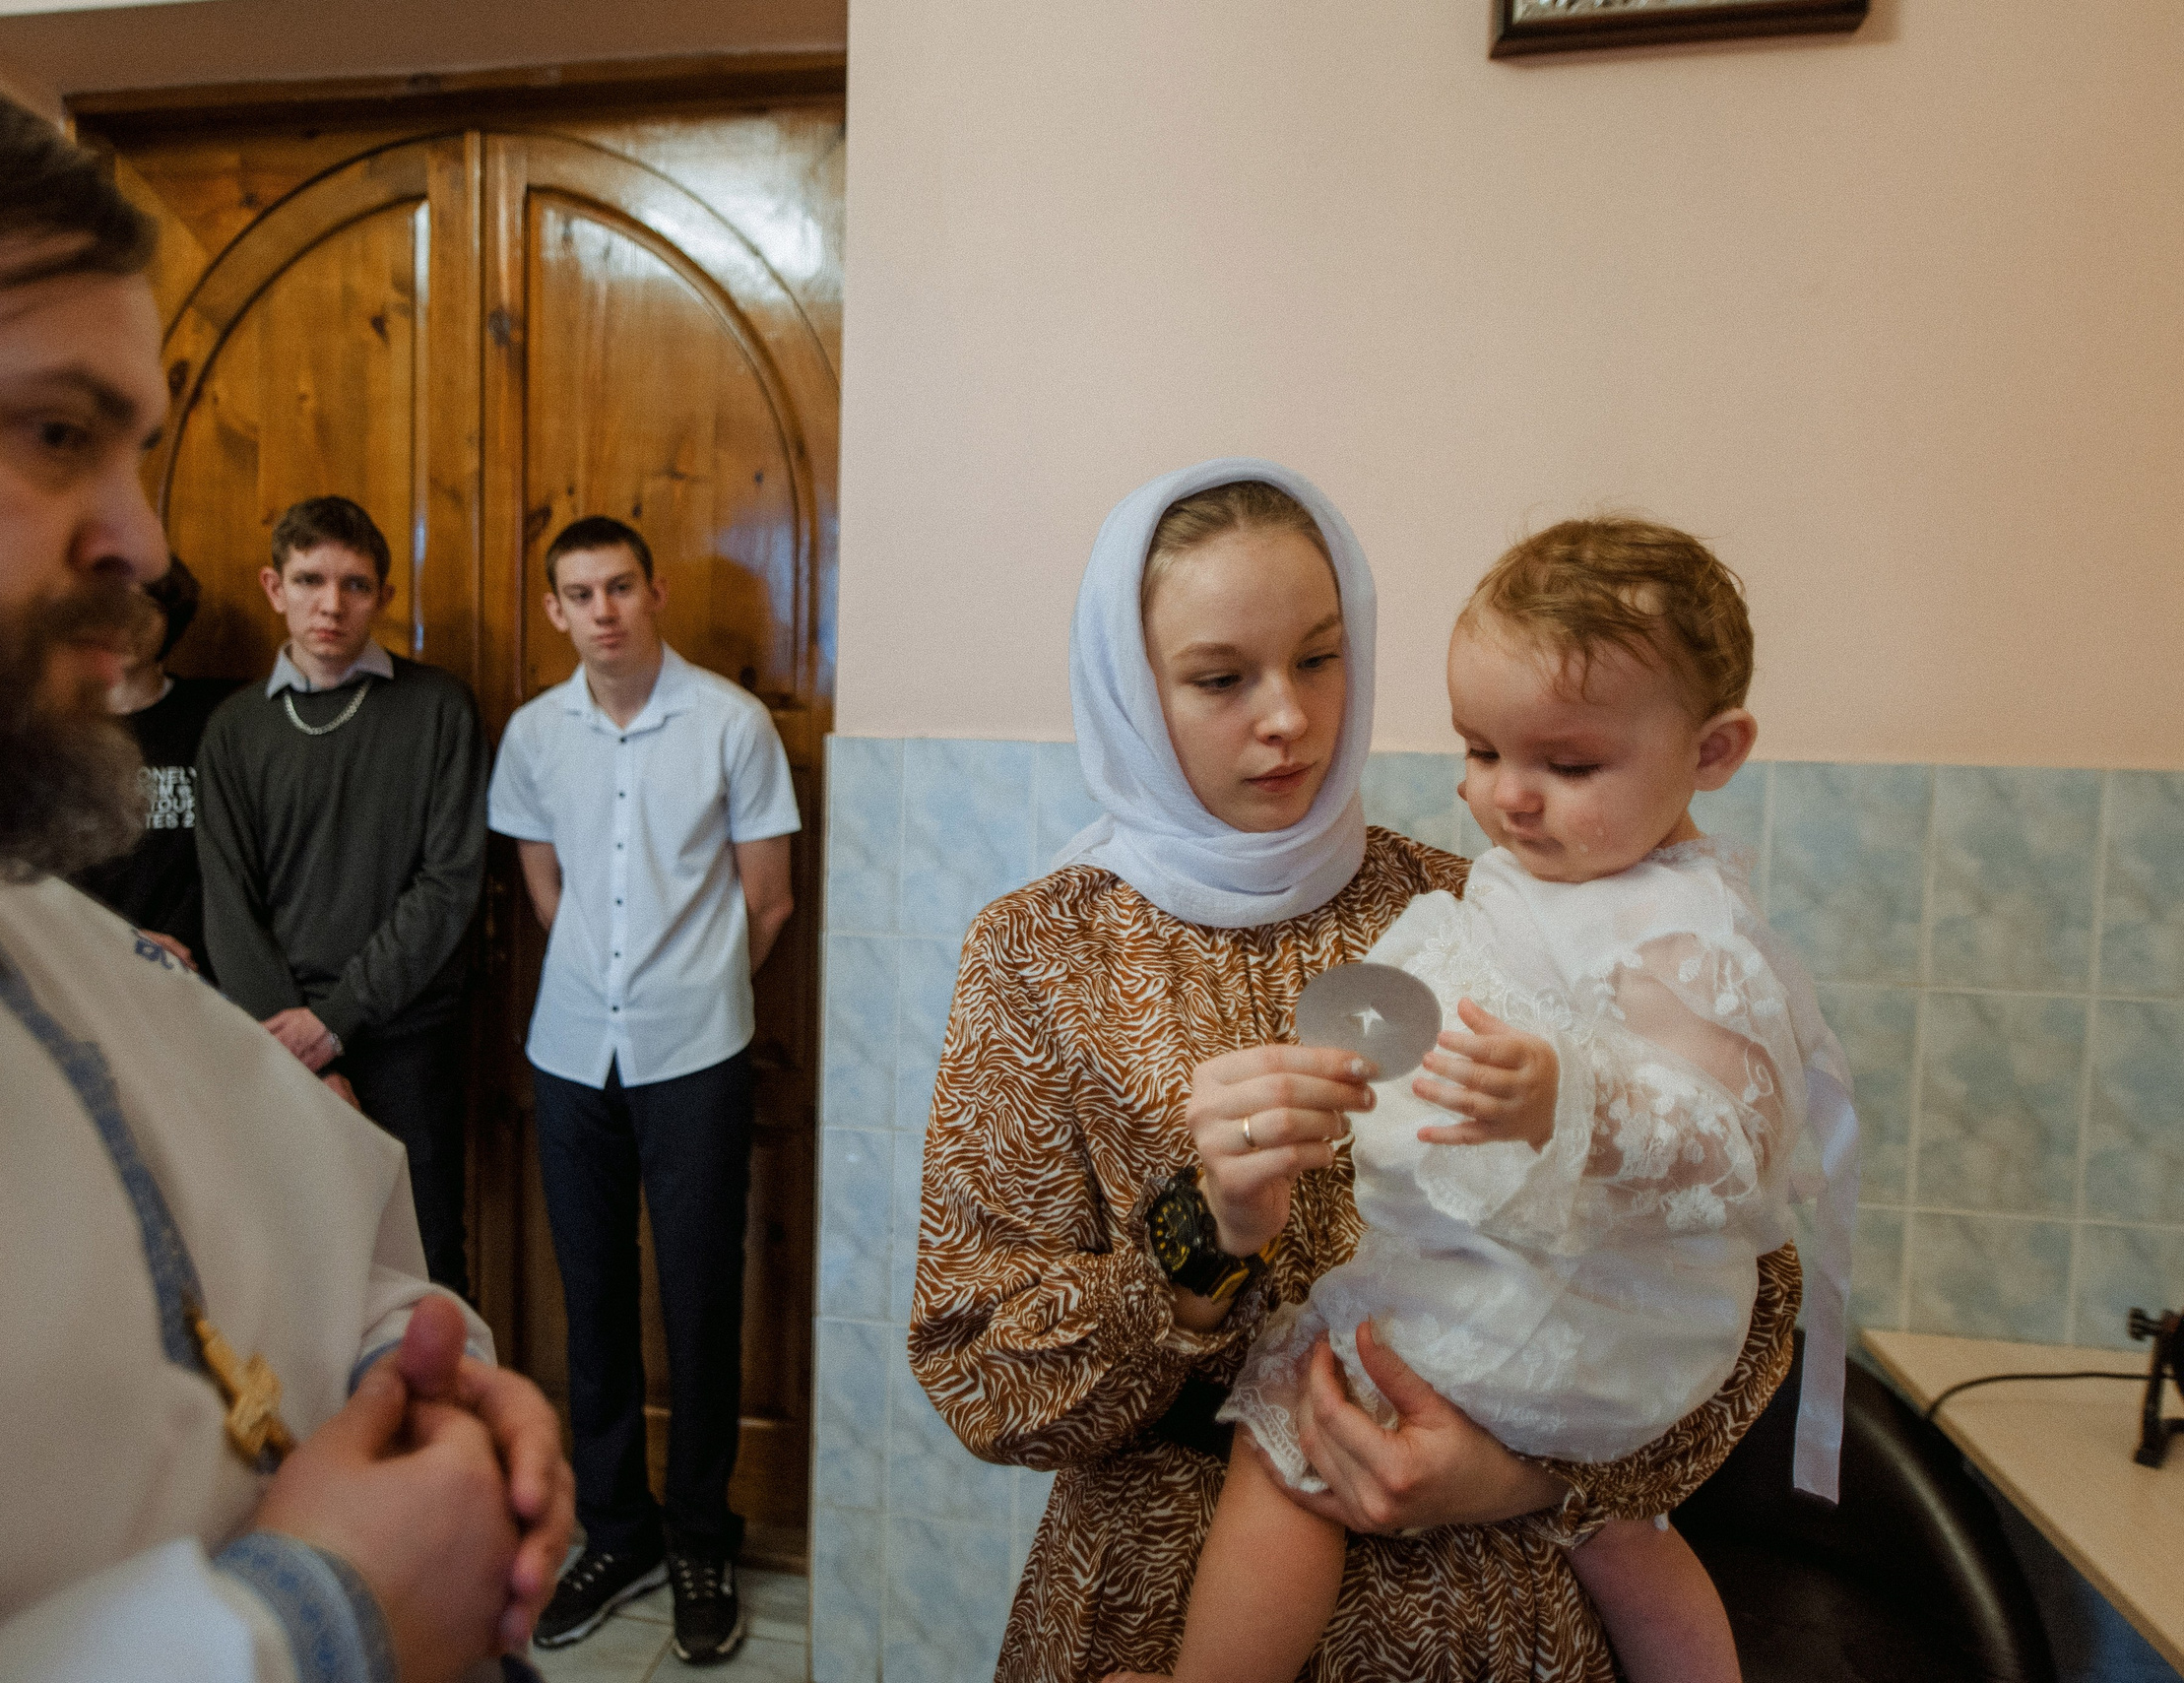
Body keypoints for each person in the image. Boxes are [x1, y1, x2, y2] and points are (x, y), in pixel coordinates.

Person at [0, 15, 568, 1682]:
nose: (144, 545)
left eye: (135, 448)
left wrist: (426, 1383)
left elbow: (338, 1231)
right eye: (50, 433)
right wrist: (315, 1617)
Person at [908, 461, 1803, 1682]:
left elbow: (1737, 1280)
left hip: (1494, 1609)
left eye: (1320, 659)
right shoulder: (1045, 954)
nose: (1285, 717)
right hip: (1168, 1596)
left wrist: (1534, 1467)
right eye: (1221, 678)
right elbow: (978, 1363)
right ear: (1131, 692)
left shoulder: (1484, 896)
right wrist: (1203, 1234)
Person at [1147, 518, 1859, 1683]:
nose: (1505, 800)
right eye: (1477, 751)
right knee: (1623, 1531)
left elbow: (1739, 1160)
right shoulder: (1553, 877)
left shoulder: (1685, 934)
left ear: (1714, 748)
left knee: (1294, 1416)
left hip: (1586, 1321)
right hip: (1601, 1343)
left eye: (1565, 766)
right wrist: (1229, 1207)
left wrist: (1569, 1099)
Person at [486, 516, 800, 1665]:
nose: (603, 608)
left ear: (654, 590)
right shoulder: (534, 733)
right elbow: (540, 875)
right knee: (592, 1296)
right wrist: (601, 983)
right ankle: (616, 1530)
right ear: (557, 611)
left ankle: (703, 1534)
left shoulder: (731, 723)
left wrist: (687, 990)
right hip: (570, 1052)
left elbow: (767, 900)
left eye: (620, 584)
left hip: (696, 1054)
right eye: (579, 592)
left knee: (703, 1297)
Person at [197, 496, 487, 1293]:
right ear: (273, 585)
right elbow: (229, 899)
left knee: (423, 1268)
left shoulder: (438, 709)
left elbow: (448, 882)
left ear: (385, 597)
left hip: (406, 1037)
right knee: (295, 1274)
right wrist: (301, 1046)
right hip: (276, 1041)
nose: (332, 604)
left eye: (356, 584)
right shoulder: (233, 731)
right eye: (310, 579)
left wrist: (339, 1020)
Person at [67, 558, 236, 975]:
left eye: (141, 609)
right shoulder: (49, 728)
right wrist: (103, 943)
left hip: (193, 962)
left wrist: (181, 936)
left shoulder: (218, 716)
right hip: (78, 959)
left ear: (169, 619)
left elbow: (237, 857)